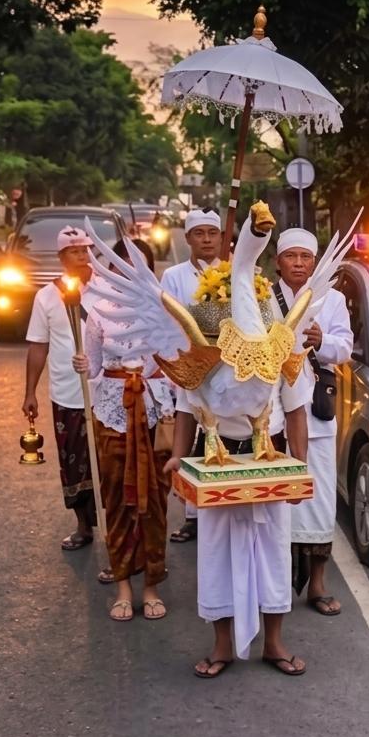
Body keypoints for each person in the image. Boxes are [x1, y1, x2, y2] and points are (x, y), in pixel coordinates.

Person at [166, 370, 312, 678]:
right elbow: (185, 408)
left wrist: (300, 465)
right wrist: (178, 459)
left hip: (269, 454)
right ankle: (222, 645)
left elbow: (296, 410)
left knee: (273, 553)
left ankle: (273, 643)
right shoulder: (200, 342)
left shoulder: (275, 338)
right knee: (215, 552)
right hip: (215, 455)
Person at [72, 242, 175, 622]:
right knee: (116, 498)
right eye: (123, 264)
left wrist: (175, 411)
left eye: (139, 264)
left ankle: (150, 585)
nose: (131, 270)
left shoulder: (165, 307)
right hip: (113, 412)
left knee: (156, 500)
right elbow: (95, 368)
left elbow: (177, 363)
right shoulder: (97, 311)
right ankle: (122, 586)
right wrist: (84, 363)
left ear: (149, 268)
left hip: (157, 411)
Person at [272, 227, 352, 614]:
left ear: (315, 262)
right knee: (274, 507)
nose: (299, 264)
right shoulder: (260, 298)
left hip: (315, 417)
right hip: (270, 419)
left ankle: (317, 585)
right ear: (278, 262)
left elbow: (345, 348)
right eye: (292, 256)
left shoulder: (332, 300)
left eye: (306, 257)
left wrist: (323, 342)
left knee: (318, 503)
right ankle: (273, 587)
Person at [22, 226, 103, 561]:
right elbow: (38, 347)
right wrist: (30, 393)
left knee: (108, 464)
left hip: (105, 393)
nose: (82, 256)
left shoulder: (108, 289)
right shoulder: (45, 296)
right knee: (74, 464)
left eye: (85, 249)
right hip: (67, 394)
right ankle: (84, 525)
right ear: (61, 258)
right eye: (74, 251)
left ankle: (116, 528)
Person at [160, 208, 223, 545]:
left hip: (223, 368)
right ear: (188, 239)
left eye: (212, 233)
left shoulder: (229, 274)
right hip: (188, 364)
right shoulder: (173, 276)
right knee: (187, 433)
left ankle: (213, 507)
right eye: (200, 234)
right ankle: (190, 514)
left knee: (215, 436)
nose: (207, 240)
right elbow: (170, 319)